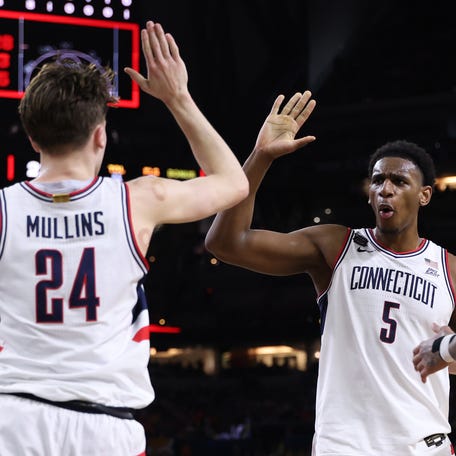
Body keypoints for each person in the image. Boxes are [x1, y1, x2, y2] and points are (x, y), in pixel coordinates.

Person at [0, 20, 248, 456]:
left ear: (32, 136)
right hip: (104, 427)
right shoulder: (139, 201)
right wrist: (178, 98)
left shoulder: (3, 211)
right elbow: (233, 182)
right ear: (101, 135)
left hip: (13, 420)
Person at [205, 90, 456, 455]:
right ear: (369, 193)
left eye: (399, 182)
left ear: (425, 196)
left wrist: (448, 349)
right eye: (377, 180)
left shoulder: (448, 268)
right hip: (345, 445)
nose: (385, 189)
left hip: (424, 444)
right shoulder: (335, 247)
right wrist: (260, 157)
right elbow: (226, 243)